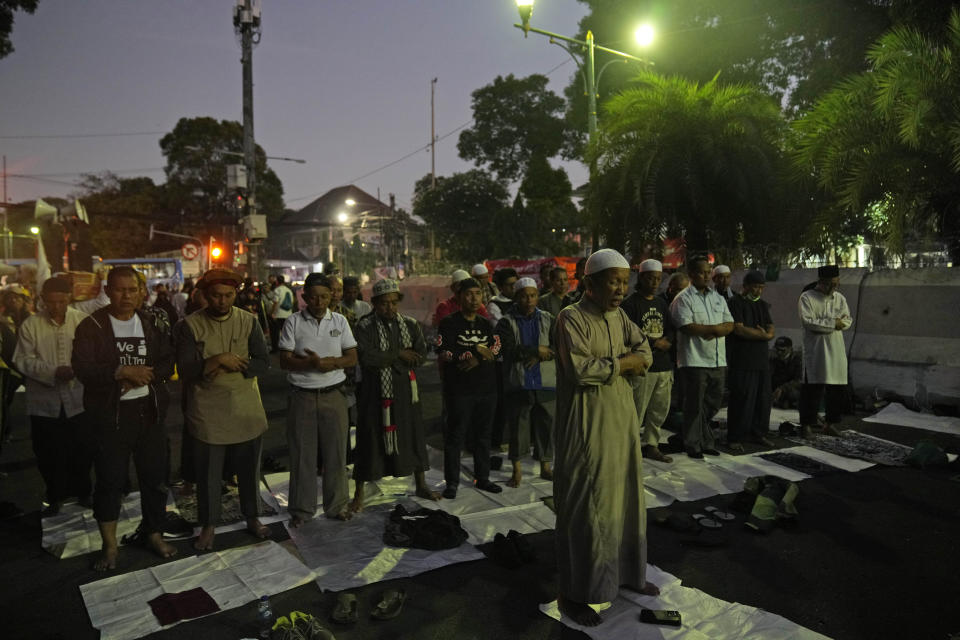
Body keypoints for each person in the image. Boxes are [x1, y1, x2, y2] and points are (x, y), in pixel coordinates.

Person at [552, 248, 657, 626]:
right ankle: (575, 593)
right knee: (587, 509)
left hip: (621, 418)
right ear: (590, 283)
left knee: (626, 499)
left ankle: (627, 576)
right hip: (587, 425)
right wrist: (624, 363)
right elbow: (581, 371)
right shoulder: (571, 318)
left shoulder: (621, 315)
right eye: (613, 281)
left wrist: (626, 362)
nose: (619, 289)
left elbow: (645, 351)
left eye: (624, 282)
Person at [71, 266, 177, 571]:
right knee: (110, 481)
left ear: (142, 291)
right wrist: (120, 372)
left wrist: (145, 376)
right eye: (119, 289)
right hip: (110, 416)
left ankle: (154, 533)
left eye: (133, 290)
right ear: (107, 290)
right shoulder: (92, 326)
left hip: (149, 411)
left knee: (155, 478)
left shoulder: (151, 322)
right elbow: (82, 367)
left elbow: (167, 360)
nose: (126, 296)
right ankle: (110, 546)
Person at [175, 269, 271, 550]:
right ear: (204, 295)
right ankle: (209, 524)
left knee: (249, 470)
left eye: (228, 295)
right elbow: (186, 369)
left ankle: (252, 517)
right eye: (216, 295)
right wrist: (218, 359)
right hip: (207, 410)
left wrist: (229, 365)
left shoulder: (248, 321)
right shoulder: (189, 326)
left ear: (235, 294)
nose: (222, 301)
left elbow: (263, 362)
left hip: (246, 406)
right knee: (208, 474)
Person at [350, 279, 440, 511]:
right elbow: (367, 358)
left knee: (412, 435)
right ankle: (358, 494)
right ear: (375, 304)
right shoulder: (364, 326)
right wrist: (399, 355)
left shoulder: (410, 325)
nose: (389, 308)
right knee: (369, 439)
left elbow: (420, 355)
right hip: (373, 392)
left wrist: (389, 359)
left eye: (393, 303)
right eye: (384, 304)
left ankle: (421, 484)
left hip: (404, 392)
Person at [278, 273, 357, 524]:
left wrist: (331, 363)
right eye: (313, 297)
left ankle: (337, 506)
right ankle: (301, 510)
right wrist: (310, 363)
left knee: (336, 454)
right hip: (302, 396)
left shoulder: (340, 321)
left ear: (331, 296)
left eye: (324, 296)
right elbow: (284, 360)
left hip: (334, 395)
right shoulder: (293, 322)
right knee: (303, 455)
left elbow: (352, 357)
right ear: (304, 297)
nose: (319, 302)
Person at [13, 276, 91, 514]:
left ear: (69, 298)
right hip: (44, 405)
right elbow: (22, 360)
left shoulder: (82, 321)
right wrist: (53, 371)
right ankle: (55, 495)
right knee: (48, 453)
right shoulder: (31, 325)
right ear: (43, 300)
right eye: (51, 302)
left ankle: (83, 492)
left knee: (82, 450)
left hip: (78, 401)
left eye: (61, 302)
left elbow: (92, 356)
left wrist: (77, 370)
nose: (56, 307)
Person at [436, 277, 502, 498]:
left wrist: (479, 358)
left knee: (483, 436)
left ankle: (483, 478)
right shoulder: (448, 323)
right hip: (459, 390)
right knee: (455, 436)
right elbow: (444, 351)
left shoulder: (486, 324)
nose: (474, 298)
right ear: (459, 297)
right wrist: (473, 355)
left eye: (478, 293)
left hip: (486, 389)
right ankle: (452, 482)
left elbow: (495, 350)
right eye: (469, 294)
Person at [670, 255, 734, 458]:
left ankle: (692, 436)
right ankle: (696, 444)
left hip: (717, 359)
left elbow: (729, 324)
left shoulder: (718, 298)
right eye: (702, 272)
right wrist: (716, 328)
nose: (707, 276)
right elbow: (687, 326)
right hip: (694, 360)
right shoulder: (683, 298)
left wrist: (713, 330)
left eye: (708, 272)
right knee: (694, 403)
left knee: (714, 402)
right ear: (691, 274)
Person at [495, 277, 556, 487]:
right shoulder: (505, 322)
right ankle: (517, 470)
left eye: (532, 296)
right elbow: (506, 349)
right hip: (519, 383)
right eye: (524, 296)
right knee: (518, 427)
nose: (528, 300)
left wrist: (539, 355)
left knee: (546, 425)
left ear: (537, 296)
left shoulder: (549, 319)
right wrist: (536, 350)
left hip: (546, 382)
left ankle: (546, 466)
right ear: (516, 297)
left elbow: (560, 346)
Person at [621, 259, 676, 463]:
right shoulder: (630, 304)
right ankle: (631, 448)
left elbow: (671, 327)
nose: (655, 282)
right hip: (642, 366)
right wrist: (654, 342)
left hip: (663, 365)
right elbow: (628, 334)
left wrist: (667, 341)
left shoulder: (661, 303)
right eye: (651, 278)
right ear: (642, 278)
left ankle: (651, 445)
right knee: (636, 409)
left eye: (658, 279)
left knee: (659, 409)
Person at [798, 265, 852, 439]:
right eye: (830, 284)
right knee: (812, 390)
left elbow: (847, 320)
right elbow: (809, 322)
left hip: (836, 350)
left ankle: (830, 424)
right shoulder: (807, 298)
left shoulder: (840, 298)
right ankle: (806, 425)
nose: (833, 288)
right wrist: (833, 324)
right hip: (817, 351)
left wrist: (837, 323)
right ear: (821, 282)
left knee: (837, 389)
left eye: (836, 284)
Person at [725, 271, 775, 452]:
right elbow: (738, 329)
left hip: (761, 359)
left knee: (763, 399)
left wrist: (765, 334)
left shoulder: (762, 305)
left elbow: (771, 329)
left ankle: (758, 433)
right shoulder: (734, 303)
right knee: (742, 398)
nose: (759, 291)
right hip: (742, 359)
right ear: (745, 286)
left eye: (761, 287)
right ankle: (735, 436)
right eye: (755, 287)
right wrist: (762, 335)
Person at [770, 336, 802, 409]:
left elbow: (799, 380)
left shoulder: (798, 361)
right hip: (775, 390)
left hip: (789, 390)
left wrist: (783, 388)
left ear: (790, 349)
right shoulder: (773, 360)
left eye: (782, 350)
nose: (779, 352)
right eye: (777, 350)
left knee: (794, 393)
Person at [267, 274, 294, 352]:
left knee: (274, 333)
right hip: (288, 315)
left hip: (278, 315)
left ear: (277, 281)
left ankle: (275, 349)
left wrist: (272, 313)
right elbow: (292, 303)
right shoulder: (289, 290)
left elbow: (275, 302)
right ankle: (288, 348)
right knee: (286, 333)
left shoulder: (277, 290)